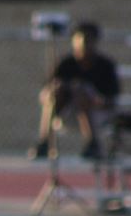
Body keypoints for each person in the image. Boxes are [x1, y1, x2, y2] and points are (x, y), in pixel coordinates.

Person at [30, 21, 120, 161]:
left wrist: (91, 98)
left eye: (88, 40)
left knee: (82, 91)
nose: (84, 45)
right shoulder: (66, 64)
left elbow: (110, 100)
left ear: (95, 42)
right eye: (80, 40)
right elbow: (48, 91)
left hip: (98, 114)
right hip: (67, 114)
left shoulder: (105, 66)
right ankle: (45, 142)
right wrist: (61, 90)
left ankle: (93, 144)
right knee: (58, 91)